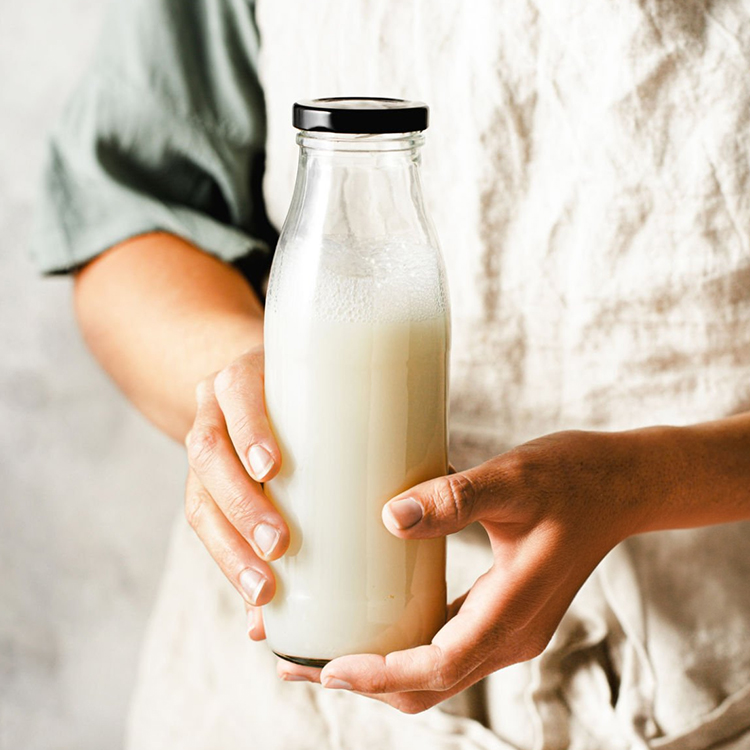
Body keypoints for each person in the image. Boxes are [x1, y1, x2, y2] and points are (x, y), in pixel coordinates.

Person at [35, 0, 750, 747]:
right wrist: (256, 388)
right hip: (283, 699)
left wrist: (646, 480)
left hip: (706, 662)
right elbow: (130, 216)